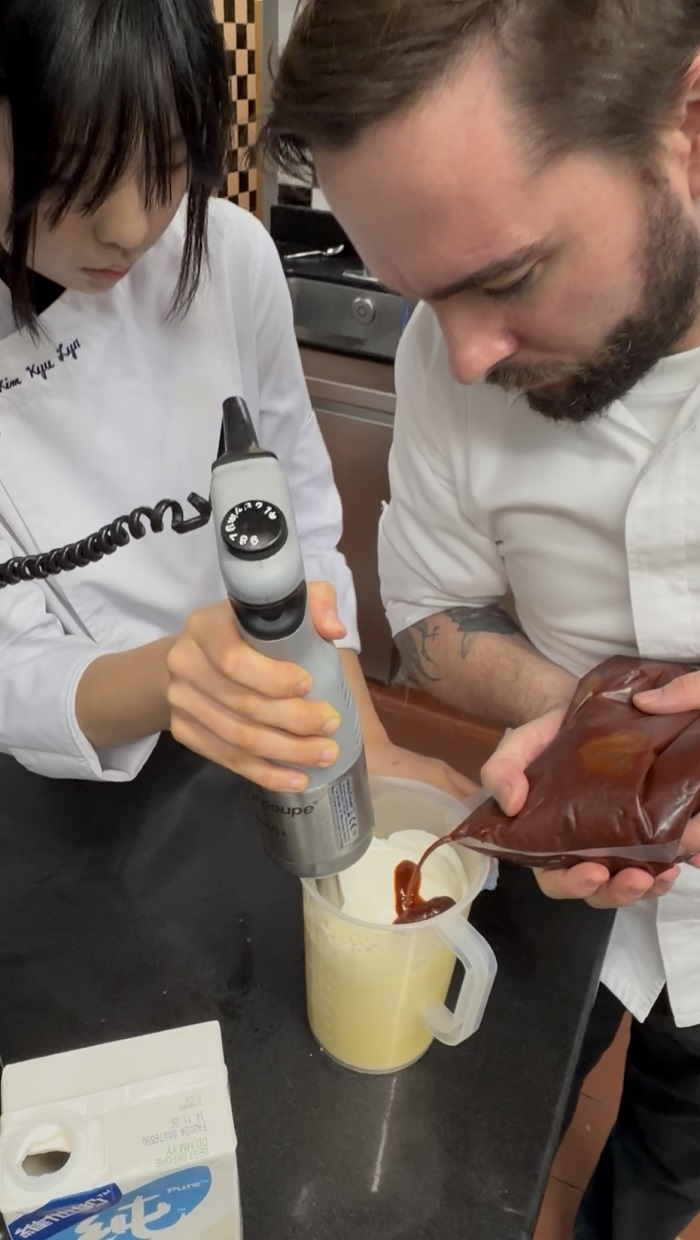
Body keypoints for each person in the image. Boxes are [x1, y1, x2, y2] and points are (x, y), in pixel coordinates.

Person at [261, 2, 700, 1236]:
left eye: (506, 278)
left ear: (688, 128)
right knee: (491, 1139)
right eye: (418, 295)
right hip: (559, 889)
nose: (458, 361)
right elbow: (437, 607)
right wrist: (607, 745)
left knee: (665, 1168)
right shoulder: (447, 353)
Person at [0, 0, 472, 805]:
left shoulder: (229, 255)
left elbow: (305, 527)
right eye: (77, 172)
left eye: (171, 162)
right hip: (57, 784)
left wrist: (365, 738)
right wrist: (170, 680)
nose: (131, 226)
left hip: (252, 739)